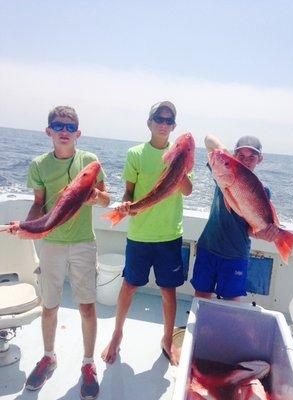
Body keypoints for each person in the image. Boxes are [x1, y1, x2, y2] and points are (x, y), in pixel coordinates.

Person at [18, 106, 110, 399]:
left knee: (86, 306)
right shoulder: (39, 165)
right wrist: (31, 226)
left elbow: (107, 200)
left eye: (70, 127)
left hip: (83, 242)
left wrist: (95, 196)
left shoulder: (90, 162)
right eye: (58, 125)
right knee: (50, 305)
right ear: (49, 131)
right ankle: (48, 356)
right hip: (53, 245)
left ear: (78, 133)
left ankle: (87, 363)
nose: (64, 131)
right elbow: (39, 203)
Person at [101, 101, 193, 366]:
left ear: (173, 126)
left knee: (168, 291)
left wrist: (181, 166)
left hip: (169, 235)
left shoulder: (181, 155)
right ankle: (117, 334)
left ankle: (166, 338)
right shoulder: (135, 153)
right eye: (159, 119)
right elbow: (129, 193)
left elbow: (186, 190)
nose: (163, 124)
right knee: (129, 285)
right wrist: (125, 206)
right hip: (140, 234)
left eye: (168, 120)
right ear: (149, 122)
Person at [191, 134, 279, 300]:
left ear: (260, 159)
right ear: (233, 155)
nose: (246, 161)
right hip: (208, 247)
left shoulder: (262, 189)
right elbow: (208, 139)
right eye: (241, 156)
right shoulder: (223, 172)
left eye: (252, 157)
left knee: (231, 303)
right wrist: (225, 154)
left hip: (236, 254)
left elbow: (251, 227)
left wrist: (261, 234)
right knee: (201, 296)